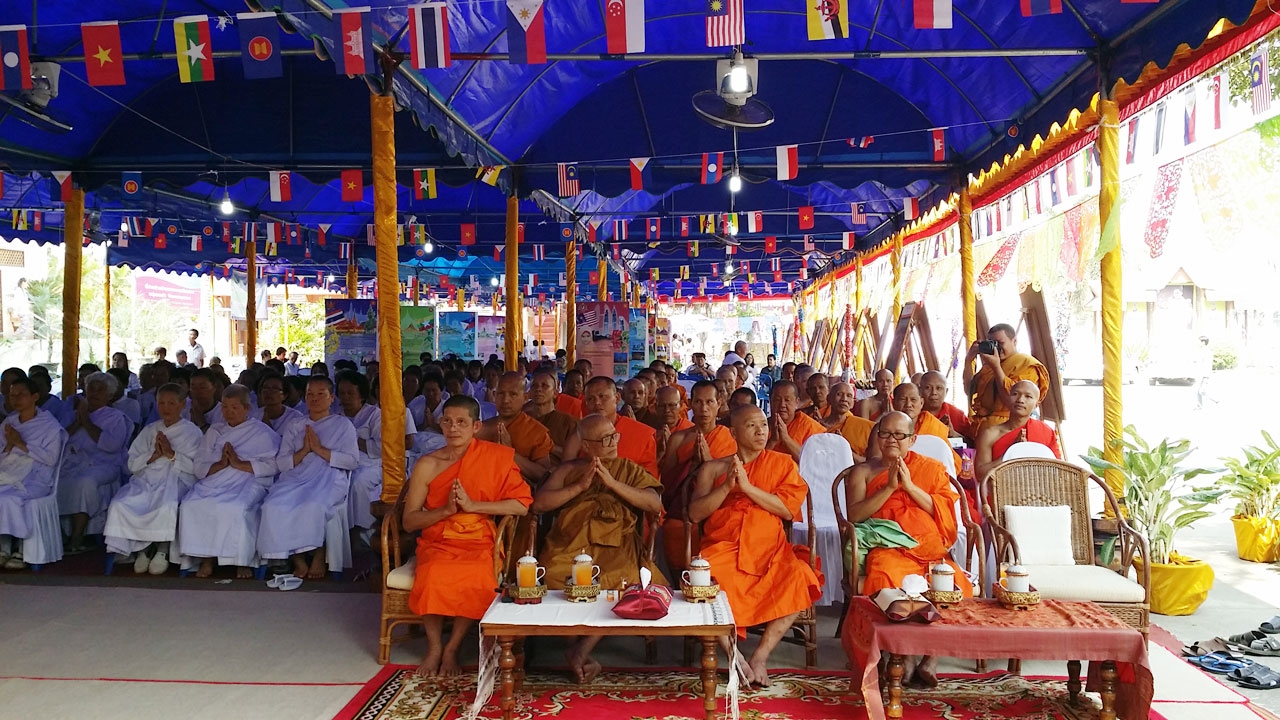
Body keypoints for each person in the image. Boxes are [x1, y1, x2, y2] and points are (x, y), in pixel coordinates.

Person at [689, 405, 823, 687]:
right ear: (734, 432)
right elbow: (696, 514)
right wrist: (727, 487)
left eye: (763, 424)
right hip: (724, 544)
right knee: (706, 582)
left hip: (769, 549)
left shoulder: (783, 464)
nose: (761, 431)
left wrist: (748, 488)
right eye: (751, 425)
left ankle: (760, 656)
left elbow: (787, 509)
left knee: (799, 578)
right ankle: (734, 655)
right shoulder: (713, 468)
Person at [405, 395, 532, 677]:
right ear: (440, 424)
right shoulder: (428, 464)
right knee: (432, 574)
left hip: (479, 539)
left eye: (462, 422)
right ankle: (434, 648)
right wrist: (445, 511)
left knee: (475, 576)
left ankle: (452, 648)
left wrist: (474, 506)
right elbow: (409, 520)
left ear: (476, 426)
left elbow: (521, 505)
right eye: (447, 421)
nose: (453, 428)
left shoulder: (494, 457)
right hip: (439, 539)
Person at [533, 413, 666, 683]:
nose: (614, 442)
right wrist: (579, 486)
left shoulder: (628, 469)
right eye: (605, 439)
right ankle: (575, 647)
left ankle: (582, 649)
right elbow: (540, 504)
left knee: (626, 583)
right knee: (554, 575)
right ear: (586, 446)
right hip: (571, 541)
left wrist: (613, 484)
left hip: (617, 543)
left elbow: (654, 504)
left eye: (614, 436)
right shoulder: (569, 470)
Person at [842, 411, 971, 688]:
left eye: (899, 435)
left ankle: (931, 657)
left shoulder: (930, 468)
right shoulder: (863, 472)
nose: (891, 439)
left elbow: (942, 510)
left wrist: (909, 486)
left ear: (912, 439)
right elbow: (855, 516)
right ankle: (904, 654)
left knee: (954, 584)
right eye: (885, 433)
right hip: (888, 546)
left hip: (928, 547)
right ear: (877, 437)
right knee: (885, 577)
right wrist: (889, 488)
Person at [258, 375, 359, 580]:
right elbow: (282, 463)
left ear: (332, 398)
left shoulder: (343, 425)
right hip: (295, 477)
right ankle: (297, 558)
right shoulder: (296, 425)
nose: (314, 398)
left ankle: (319, 554)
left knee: (314, 505)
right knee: (272, 505)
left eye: (321, 394)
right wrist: (304, 450)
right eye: (310, 394)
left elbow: (351, 461)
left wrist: (319, 449)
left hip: (328, 477)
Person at [179, 385, 281, 578]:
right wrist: (221, 464)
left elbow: (273, 466)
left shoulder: (262, 432)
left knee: (236, 507)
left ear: (246, 408)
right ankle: (207, 558)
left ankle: (241, 561)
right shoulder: (215, 431)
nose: (229, 412)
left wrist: (239, 463)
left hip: (248, 480)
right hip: (216, 479)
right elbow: (199, 466)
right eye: (225, 407)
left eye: (234, 407)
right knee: (191, 504)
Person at [104, 383, 203, 575]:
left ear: (183, 404)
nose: (166, 408)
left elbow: (196, 468)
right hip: (147, 478)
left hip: (177, 478)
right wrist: (153, 455)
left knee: (167, 504)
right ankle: (141, 550)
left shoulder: (192, 432)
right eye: (161, 403)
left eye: (171, 403)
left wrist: (171, 454)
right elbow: (131, 465)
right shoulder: (150, 430)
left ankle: (162, 550)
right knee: (121, 504)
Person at [658, 380, 737, 572]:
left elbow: (732, 481)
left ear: (719, 403)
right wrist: (690, 463)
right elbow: (667, 484)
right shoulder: (679, 438)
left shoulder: (730, 438)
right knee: (674, 528)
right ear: (690, 404)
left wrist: (708, 461)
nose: (704, 409)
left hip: (719, 508)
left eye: (709, 402)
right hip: (683, 511)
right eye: (698, 402)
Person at [58, 372, 132, 553]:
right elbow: (58, 440)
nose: (95, 393)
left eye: (100, 390)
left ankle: (77, 536)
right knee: (53, 479)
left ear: (110, 395)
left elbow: (112, 445)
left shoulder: (116, 417)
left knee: (85, 482)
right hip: (72, 462)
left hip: (105, 464)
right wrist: (78, 422)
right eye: (91, 389)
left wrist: (87, 422)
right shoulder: (73, 414)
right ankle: (59, 533)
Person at [0, 377, 65, 570]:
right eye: (12, 395)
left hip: (38, 478)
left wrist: (20, 444)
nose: (16, 399)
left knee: (10, 498)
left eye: (21, 394)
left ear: (35, 397)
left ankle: (21, 548)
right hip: (10, 472)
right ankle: (3, 547)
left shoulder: (49, 425)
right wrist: (9, 445)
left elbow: (51, 459)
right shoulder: (9, 423)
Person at [562, 376, 659, 478]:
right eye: (590, 399)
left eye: (602, 396)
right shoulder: (580, 433)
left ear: (617, 398)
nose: (597, 402)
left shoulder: (642, 434)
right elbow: (565, 475)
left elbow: (650, 481)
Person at [964, 324, 1050, 436]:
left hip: (1006, 430)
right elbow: (969, 390)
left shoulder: (1026, 365)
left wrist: (996, 368)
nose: (996, 348)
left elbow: (1011, 400)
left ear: (1014, 341)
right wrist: (968, 361)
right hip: (981, 428)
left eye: (1000, 343)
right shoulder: (990, 364)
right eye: (992, 343)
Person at [477, 372, 554, 485]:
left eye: (513, 394)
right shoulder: (479, 429)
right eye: (501, 394)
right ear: (494, 395)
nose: (506, 400)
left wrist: (509, 453)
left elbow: (543, 474)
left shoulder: (536, 431)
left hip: (517, 492)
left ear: (525, 397)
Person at [974, 380, 1061, 479]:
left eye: (1028, 396)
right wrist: (1011, 453)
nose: (1020, 400)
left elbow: (1058, 470)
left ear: (1036, 404)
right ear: (1008, 398)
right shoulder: (989, 434)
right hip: (1002, 487)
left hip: (1039, 486)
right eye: (1015, 394)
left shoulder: (1046, 432)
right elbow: (980, 474)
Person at [337, 371, 387, 535]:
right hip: (343, 461)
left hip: (372, 464)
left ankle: (363, 530)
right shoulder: (336, 416)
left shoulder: (375, 415)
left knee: (358, 481)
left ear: (362, 395)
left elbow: (381, 448)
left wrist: (354, 439)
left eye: (350, 393)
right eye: (342, 393)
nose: (345, 397)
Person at [524, 368, 578, 463]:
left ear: (555, 393)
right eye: (534, 386)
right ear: (530, 393)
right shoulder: (522, 420)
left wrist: (550, 446)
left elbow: (577, 458)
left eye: (544, 386)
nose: (538, 389)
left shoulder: (570, 423)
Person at [767, 380, 826, 462]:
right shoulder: (761, 426)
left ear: (797, 402)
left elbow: (812, 462)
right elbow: (753, 461)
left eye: (787, 400)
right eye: (777, 400)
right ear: (770, 401)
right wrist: (772, 441)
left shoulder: (809, 426)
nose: (782, 405)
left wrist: (786, 439)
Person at [825, 382, 874, 462]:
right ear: (829, 399)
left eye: (849, 396)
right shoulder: (817, 426)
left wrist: (844, 448)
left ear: (853, 403)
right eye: (839, 394)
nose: (844, 399)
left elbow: (872, 462)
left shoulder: (866, 427)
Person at [919, 371, 971, 442]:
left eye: (939, 388)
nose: (934, 392)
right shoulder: (914, 413)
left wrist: (954, 434)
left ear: (946, 391)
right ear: (920, 390)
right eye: (928, 388)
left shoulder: (957, 415)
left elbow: (973, 443)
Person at [649, 385, 692, 458]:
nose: (667, 410)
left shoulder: (691, 431)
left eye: (672, 405)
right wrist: (660, 453)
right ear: (656, 407)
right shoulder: (649, 430)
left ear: (681, 405)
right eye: (662, 406)